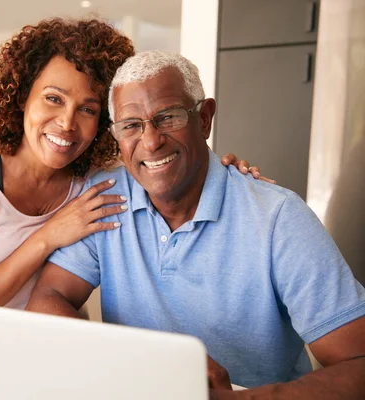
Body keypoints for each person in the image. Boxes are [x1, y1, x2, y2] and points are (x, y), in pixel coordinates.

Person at [26, 51, 365, 398]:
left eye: (168, 117)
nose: (151, 141)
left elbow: (358, 361)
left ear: (204, 119)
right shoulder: (107, 199)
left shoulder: (278, 219)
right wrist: (139, 365)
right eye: (131, 125)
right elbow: (48, 298)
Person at [0, 19, 262, 310]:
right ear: (22, 96)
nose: (67, 123)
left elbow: (166, 161)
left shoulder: (100, 175)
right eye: (54, 99)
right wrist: (48, 237)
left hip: (62, 344)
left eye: (88, 109)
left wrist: (227, 173)